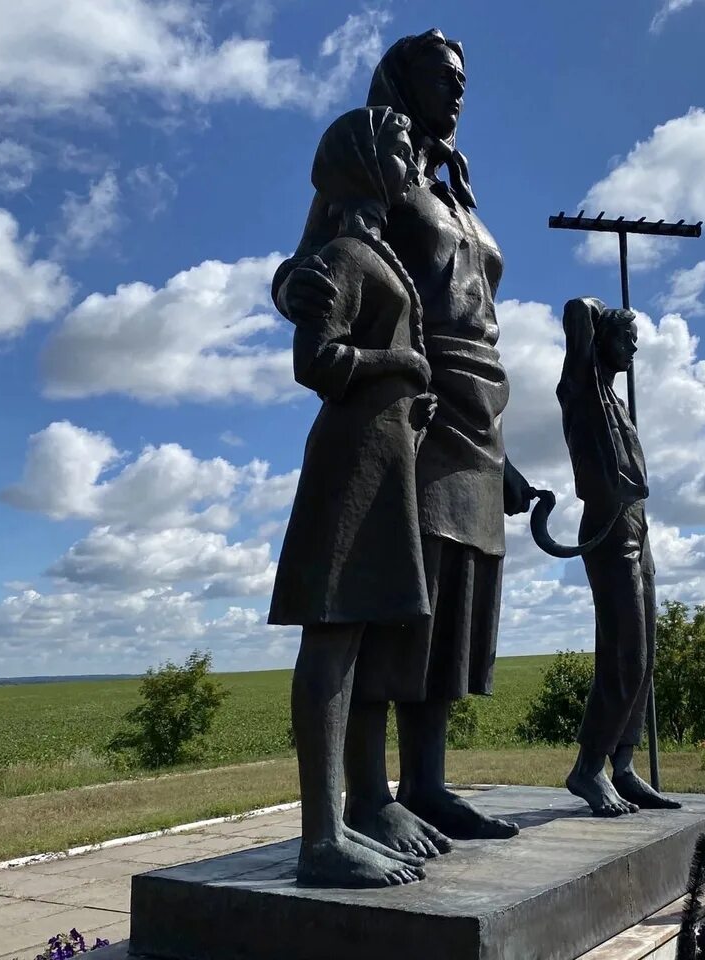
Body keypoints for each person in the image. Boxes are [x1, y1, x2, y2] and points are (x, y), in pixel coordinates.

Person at [271, 29, 534, 857]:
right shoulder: (377, 170)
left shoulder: (456, 191)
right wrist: (301, 297)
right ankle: (371, 795)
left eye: (465, 80)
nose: (457, 92)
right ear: (401, 80)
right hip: (411, 401)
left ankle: (427, 783)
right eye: (441, 77)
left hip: (480, 407)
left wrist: (511, 457)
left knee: (454, 602)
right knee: (392, 602)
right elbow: (311, 265)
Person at [268, 107, 435, 887]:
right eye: (400, 148)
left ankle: (341, 825)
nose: (413, 160)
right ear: (364, 158)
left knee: (358, 635)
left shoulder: (377, 251)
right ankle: (321, 838)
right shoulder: (340, 252)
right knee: (331, 636)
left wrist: (414, 393)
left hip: (384, 462)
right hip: (350, 463)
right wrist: (397, 361)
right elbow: (318, 361)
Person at [554, 298, 680, 817]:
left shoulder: (614, 400)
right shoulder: (581, 388)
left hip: (638, 526)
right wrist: (606, 315)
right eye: (626, 338)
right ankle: (588, 769)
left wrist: (616, 326)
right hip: (608, 526)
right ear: (602, 338)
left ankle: (623, 767)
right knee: (624, 650)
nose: (634, 348)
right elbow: (577, 309)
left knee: (645, 654)